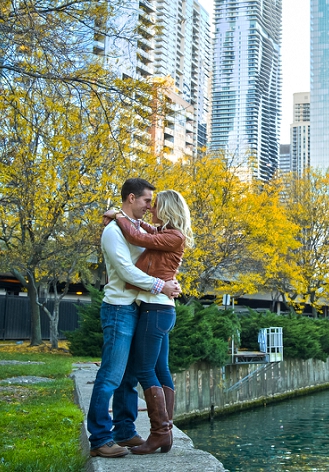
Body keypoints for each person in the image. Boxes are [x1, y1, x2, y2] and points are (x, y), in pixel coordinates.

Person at [86, 178, 182, 459]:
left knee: (129, 377)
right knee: (111, 376)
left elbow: (157, 259)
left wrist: (169, 281)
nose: (149, 207)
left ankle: (125, 430)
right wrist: (160, 286)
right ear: (131, 198)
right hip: (119, 308)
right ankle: (100, 439)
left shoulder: (140, 228)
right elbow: (128, 271)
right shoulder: (114, 232)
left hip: (139, 307)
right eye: (146, 201)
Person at [108, 189, 192, 455]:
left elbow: (136, 236)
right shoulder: (168, 234)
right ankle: (165, 433)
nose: (151, 209)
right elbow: (145, 231)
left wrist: (119, 216)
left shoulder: (173, 236)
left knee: (144, 370)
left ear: (166, 209)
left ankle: (159, 433)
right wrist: (131, 219)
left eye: (155, 206)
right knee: (159, 367)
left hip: (155, 309)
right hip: (159, 308)